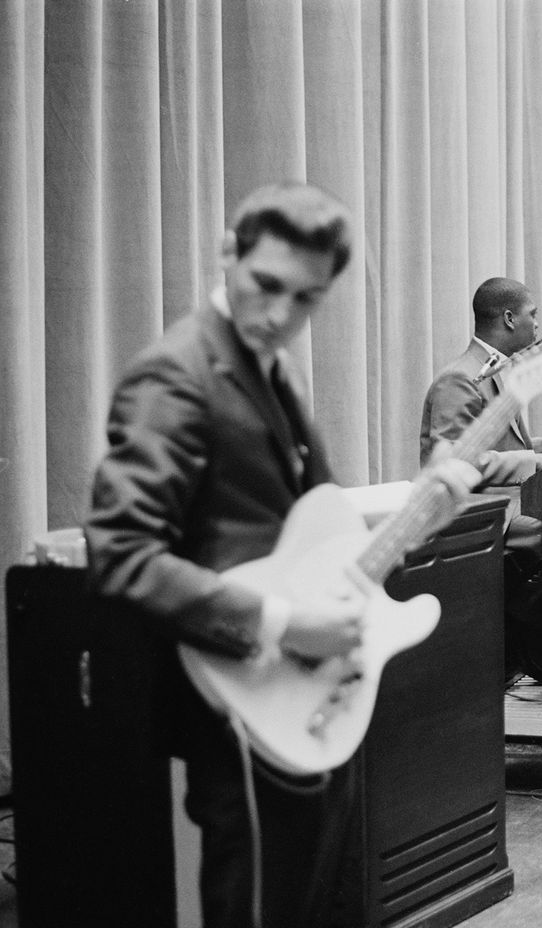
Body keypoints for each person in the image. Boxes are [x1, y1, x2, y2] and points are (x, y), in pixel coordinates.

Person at [84, 182, 482, 928]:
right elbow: (121, 553)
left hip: (295, 698)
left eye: (305, 300)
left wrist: (424, 512)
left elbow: (323, 537)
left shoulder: (275, 372)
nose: (279, 315)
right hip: (236, 695)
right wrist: (282, 624)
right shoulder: (176, 374)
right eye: (265, 285)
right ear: (229, 252)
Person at [420, 277, 542, 686]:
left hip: (502, 511)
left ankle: (519, 646)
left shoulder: (492, 372)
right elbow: (459, 462)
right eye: (533, 316)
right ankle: (512, 647)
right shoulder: (460, 379)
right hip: (470, 520)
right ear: (509, 318)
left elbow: (512, 443)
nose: (539, 326)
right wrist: (540, 461)